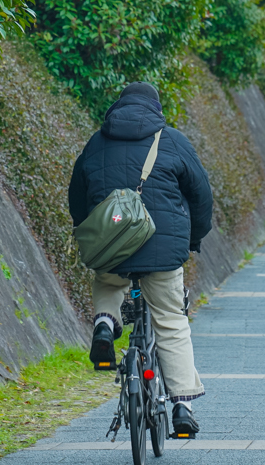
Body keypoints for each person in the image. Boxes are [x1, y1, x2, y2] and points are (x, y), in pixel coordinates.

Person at [69, 82, 212, 438]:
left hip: (112, 242)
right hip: (162, 250)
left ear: (118, 107)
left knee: (109, 279)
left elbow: (77, 193)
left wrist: (90, 229)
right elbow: (201, 196)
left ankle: (104, 324)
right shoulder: (173, 140)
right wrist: (193, 239)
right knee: (170, 321)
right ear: (156, 108)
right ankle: (181, 407)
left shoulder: (97, 142)